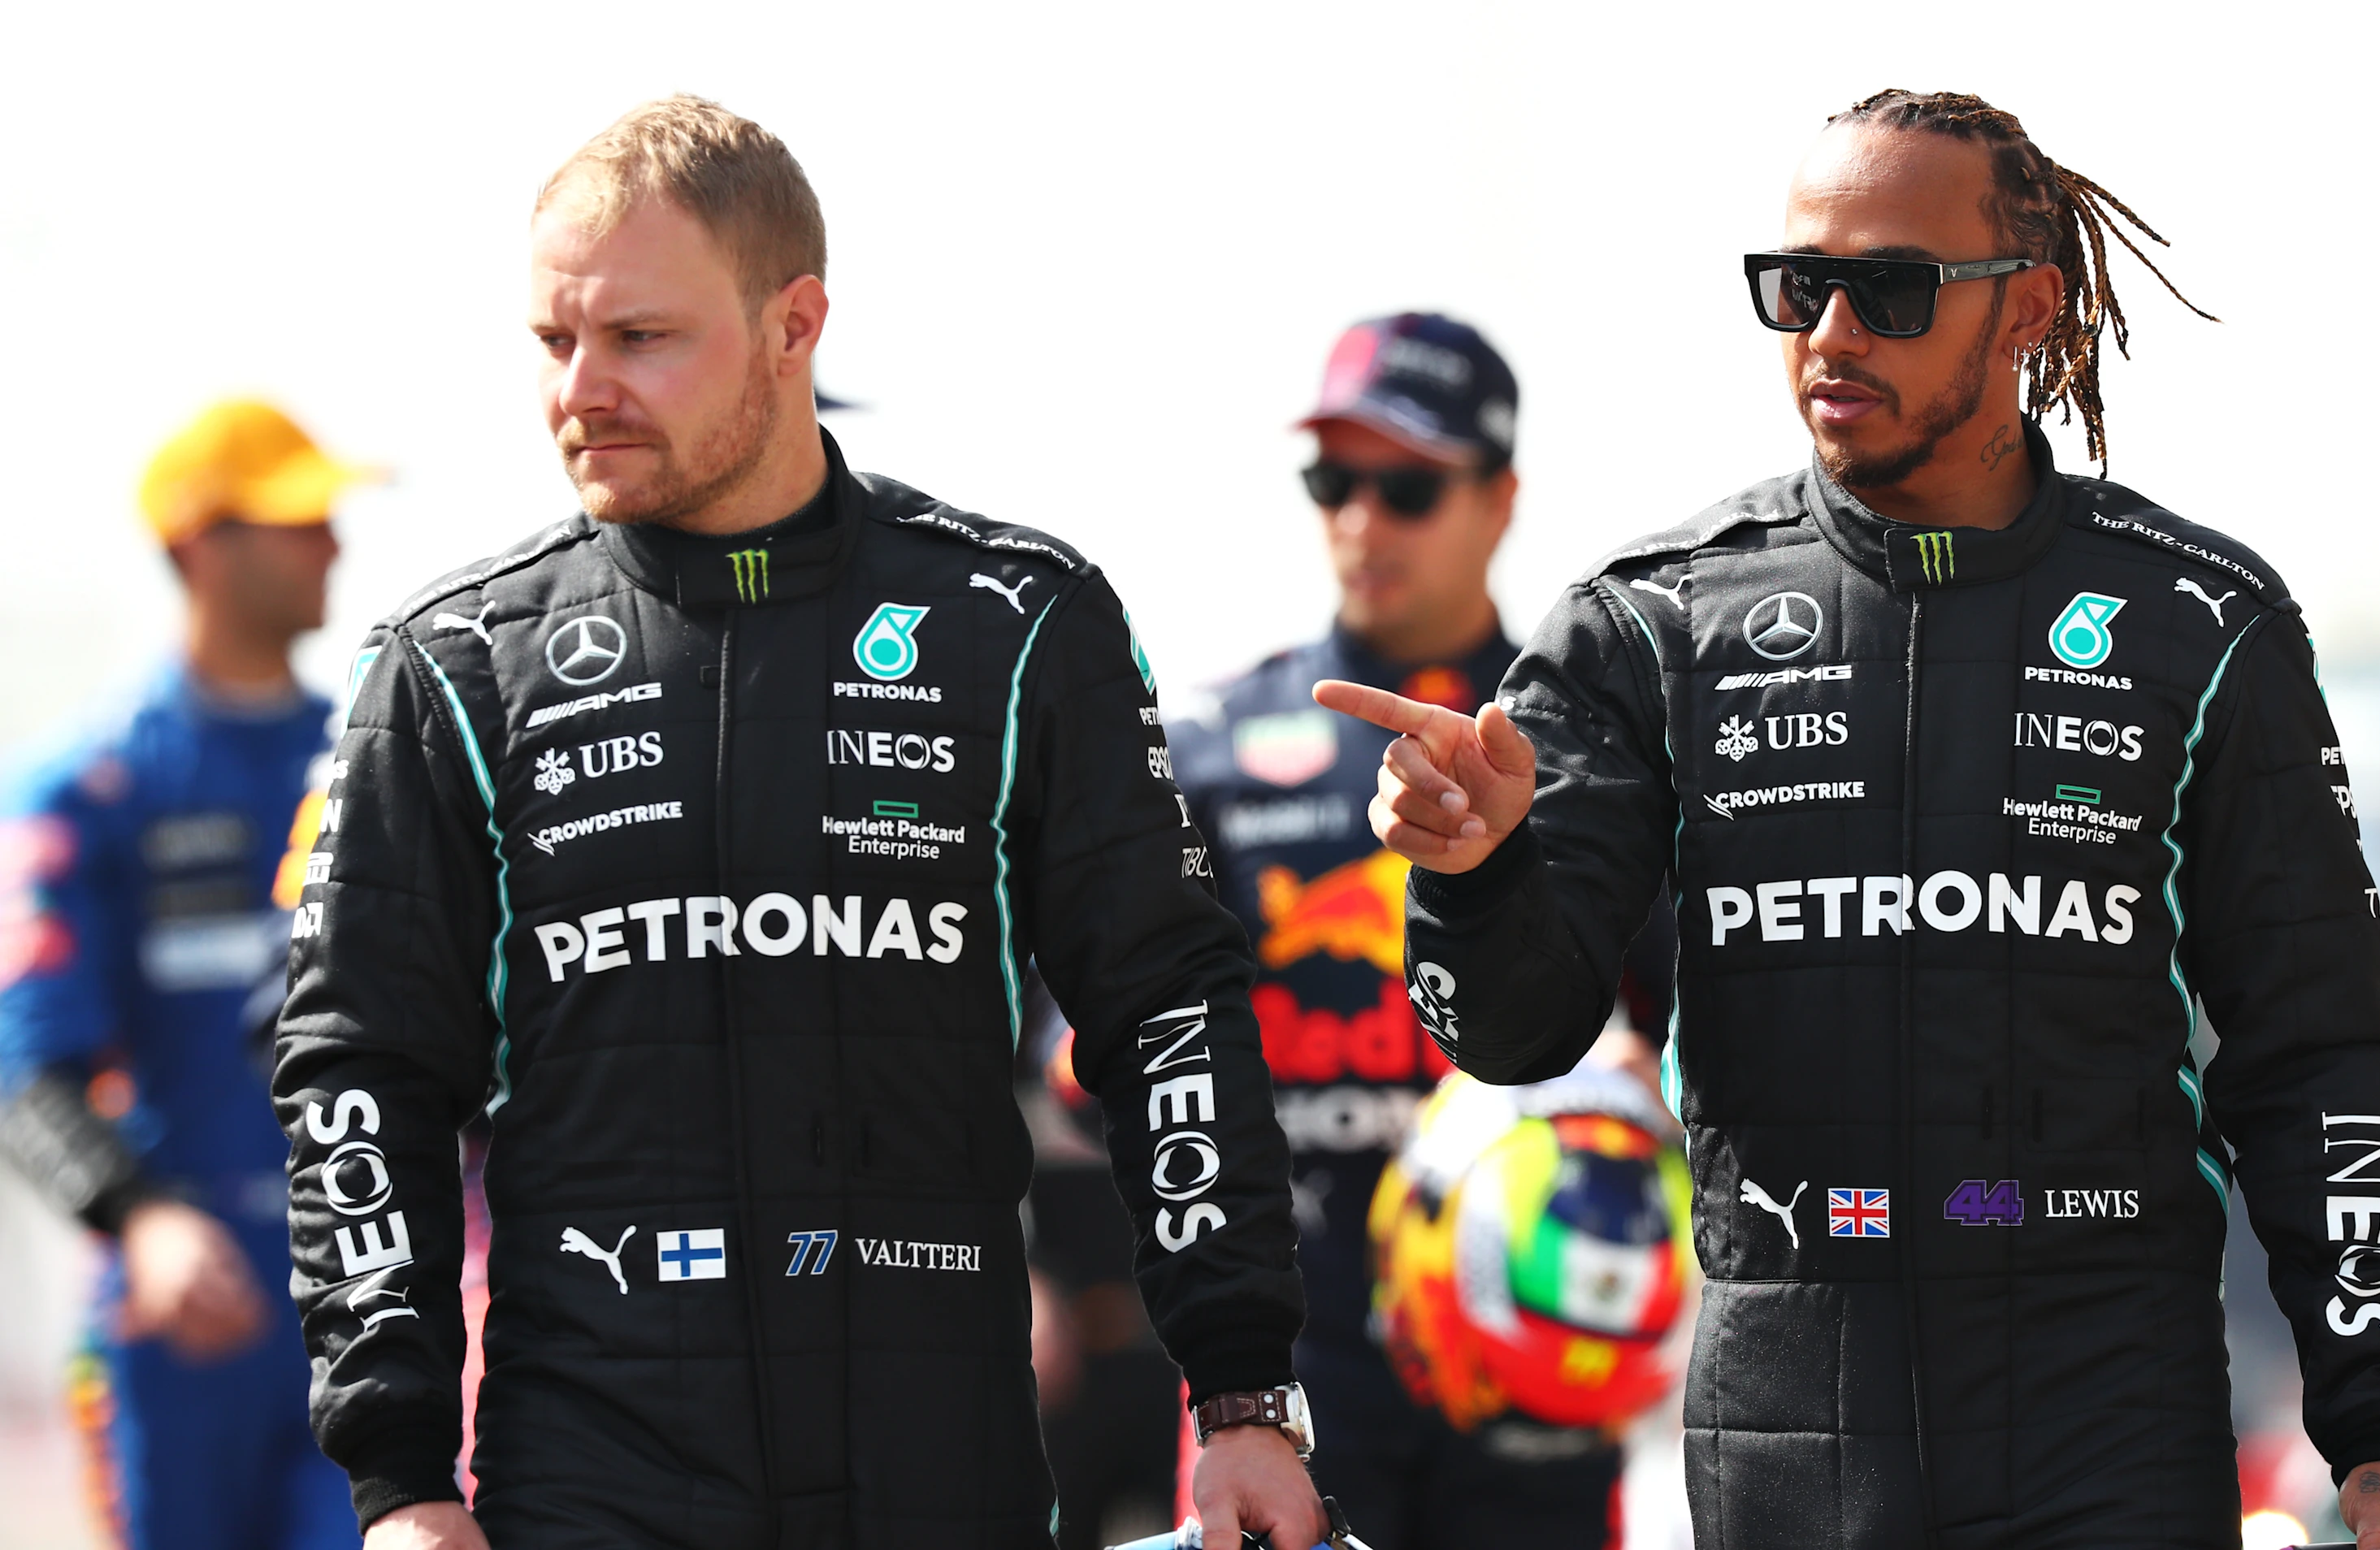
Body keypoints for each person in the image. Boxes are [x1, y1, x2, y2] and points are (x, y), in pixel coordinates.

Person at [1315, 90, 2380, 1550]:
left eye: (1889, 287)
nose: (1831, 332)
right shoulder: (1648, 625)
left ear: (2026, 311)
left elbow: (2317, 1061)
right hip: (1791, 1441)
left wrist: (2375, 1428)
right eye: (1797, 286)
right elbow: (1513, 1033)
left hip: (2111, 1430)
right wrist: (1477, 873)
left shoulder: (2203, 623)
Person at [272, 96, 1319, 1550]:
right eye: (552, 341)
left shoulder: (1014, 623)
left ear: (793, 322)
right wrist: (396, 1479)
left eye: (639, 337)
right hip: (587, 1480)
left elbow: (1169, 1014)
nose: (581, 387)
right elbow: (355, 1075)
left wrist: (1247, 1390)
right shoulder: (453, 665)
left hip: (938, 1470)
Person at [1170, 314, 1674, 1548]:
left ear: (1500, 498)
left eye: (1407, 487)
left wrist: (1632, 1081)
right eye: (1335, 482)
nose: (1362, 521)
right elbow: (1095, 1060)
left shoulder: (1595, 748)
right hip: (1288, 1358)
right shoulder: (1214, 751)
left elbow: (1700, 1035)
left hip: (1538, 1343)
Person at [0, 399, 358, 1550]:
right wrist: (141, 1220)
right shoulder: (88, 793)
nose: (335, 546)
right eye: (299, 521)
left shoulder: (373, 764)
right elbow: (26, 1070)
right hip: (176, 1325)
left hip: (361, 1308)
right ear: (204, 545)